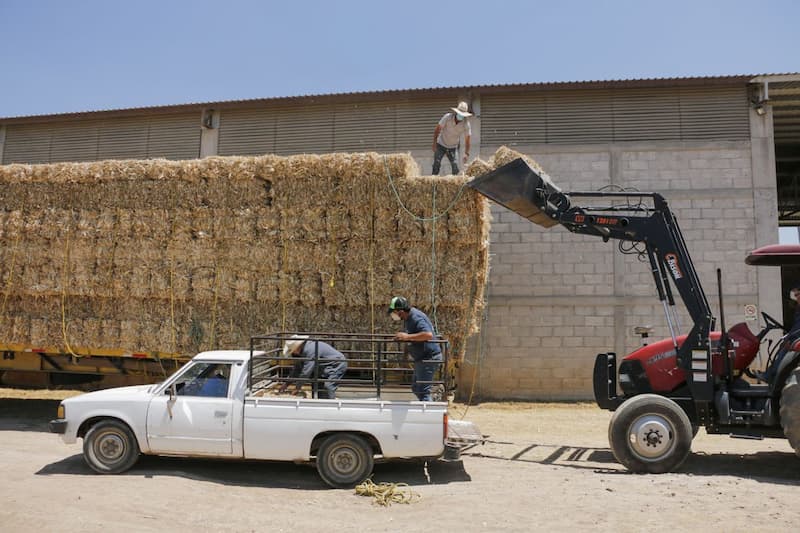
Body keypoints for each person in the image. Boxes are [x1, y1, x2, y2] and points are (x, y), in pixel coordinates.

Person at [388, 296, 443, 401]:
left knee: (423, 392)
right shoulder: (408, 318)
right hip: (422, 358)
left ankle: (429, 414)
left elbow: (428, 335)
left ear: (400, 311)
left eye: (393, 312)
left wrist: (407, 337)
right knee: (416, 388)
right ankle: (434, 398)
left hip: (429, 358)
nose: (393, 315)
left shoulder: (415, 317)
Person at [279, 335, 347, 399]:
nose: (293, 353)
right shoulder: (304, 351)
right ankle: (320, 403)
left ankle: (331, 405)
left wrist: (297, 387)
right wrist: (286, 384)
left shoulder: (309, 350)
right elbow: (297, 369)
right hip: (324, 366)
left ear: (297, 348)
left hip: (336, 364)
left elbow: (306, 372)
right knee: (317, 384)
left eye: (292, 351)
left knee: (328, 386)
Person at [432, 101, 472, 175]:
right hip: (441, 144)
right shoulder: (447, 117)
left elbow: (468, 139)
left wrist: (466, 153)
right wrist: (434, 143)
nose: (461, 116)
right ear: (456, 113)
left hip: (453, 147)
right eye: (460, 114)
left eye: (462, 115)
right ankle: (433, 183)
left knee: (455, 166)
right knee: (436, 164)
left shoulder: (466, 124)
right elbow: (437, 129)